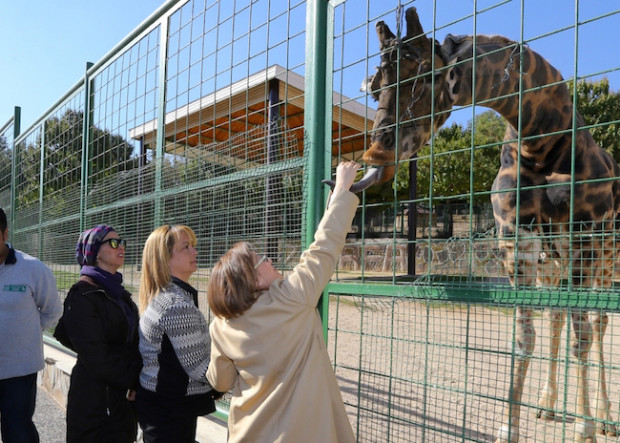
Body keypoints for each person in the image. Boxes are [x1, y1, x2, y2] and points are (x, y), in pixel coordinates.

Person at [206, 161, 360, 443]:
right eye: (263, 260)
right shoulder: (292, 297)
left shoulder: (220, 325)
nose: (271, 260)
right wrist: (341, 188)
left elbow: (220, 382)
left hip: (247, 433)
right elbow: (325, 246)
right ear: (253, 280)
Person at [57, 224, 141, 442]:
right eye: (113, 243)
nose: (120, 246)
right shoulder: (81, 296)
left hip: (120, 403)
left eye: (122, 242)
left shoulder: (120, 295)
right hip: (93, 405)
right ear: (94, 252)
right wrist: (137, 377)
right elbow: (97, 358)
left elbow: (133, 342)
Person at [137, 225, 218, 443]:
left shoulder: (166, 297)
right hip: (170, 412)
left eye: (193, 246)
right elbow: (201, 369)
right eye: (186, 247)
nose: (195, 252)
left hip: (161, 407)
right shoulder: (175, 304)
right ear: (165, 258)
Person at [0, 207, 62, 443]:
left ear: (5, 234)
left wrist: (25, 335)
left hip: (19, 371)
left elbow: (52, 311)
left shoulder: (33, 269)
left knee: (18, 431)